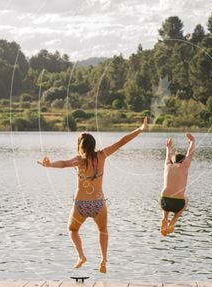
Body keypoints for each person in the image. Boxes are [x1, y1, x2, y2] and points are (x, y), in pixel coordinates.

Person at [38, 117, 148, 273]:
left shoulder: (78, 160)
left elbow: (62, 164)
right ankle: (103, 259)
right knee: (103, 230)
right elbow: (121, 142)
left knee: (72, 230)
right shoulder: (101, 156)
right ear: (93, 145)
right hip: (98, 204)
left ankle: (81, 256)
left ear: (80, 146)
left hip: (80, 205)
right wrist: (140, 129)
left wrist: (49, 165)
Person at [160, 133, 195, 236]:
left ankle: (164, 218)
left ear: (173, 161)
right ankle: (174, 220)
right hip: (178, 203)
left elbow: (168, 155)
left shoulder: (167, 165)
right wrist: (192, 141)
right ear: (183, 160)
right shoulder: (184, 166)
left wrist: (169, 147)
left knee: (165, 197)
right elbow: (190, 153)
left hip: (164, 201)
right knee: (186, 199)